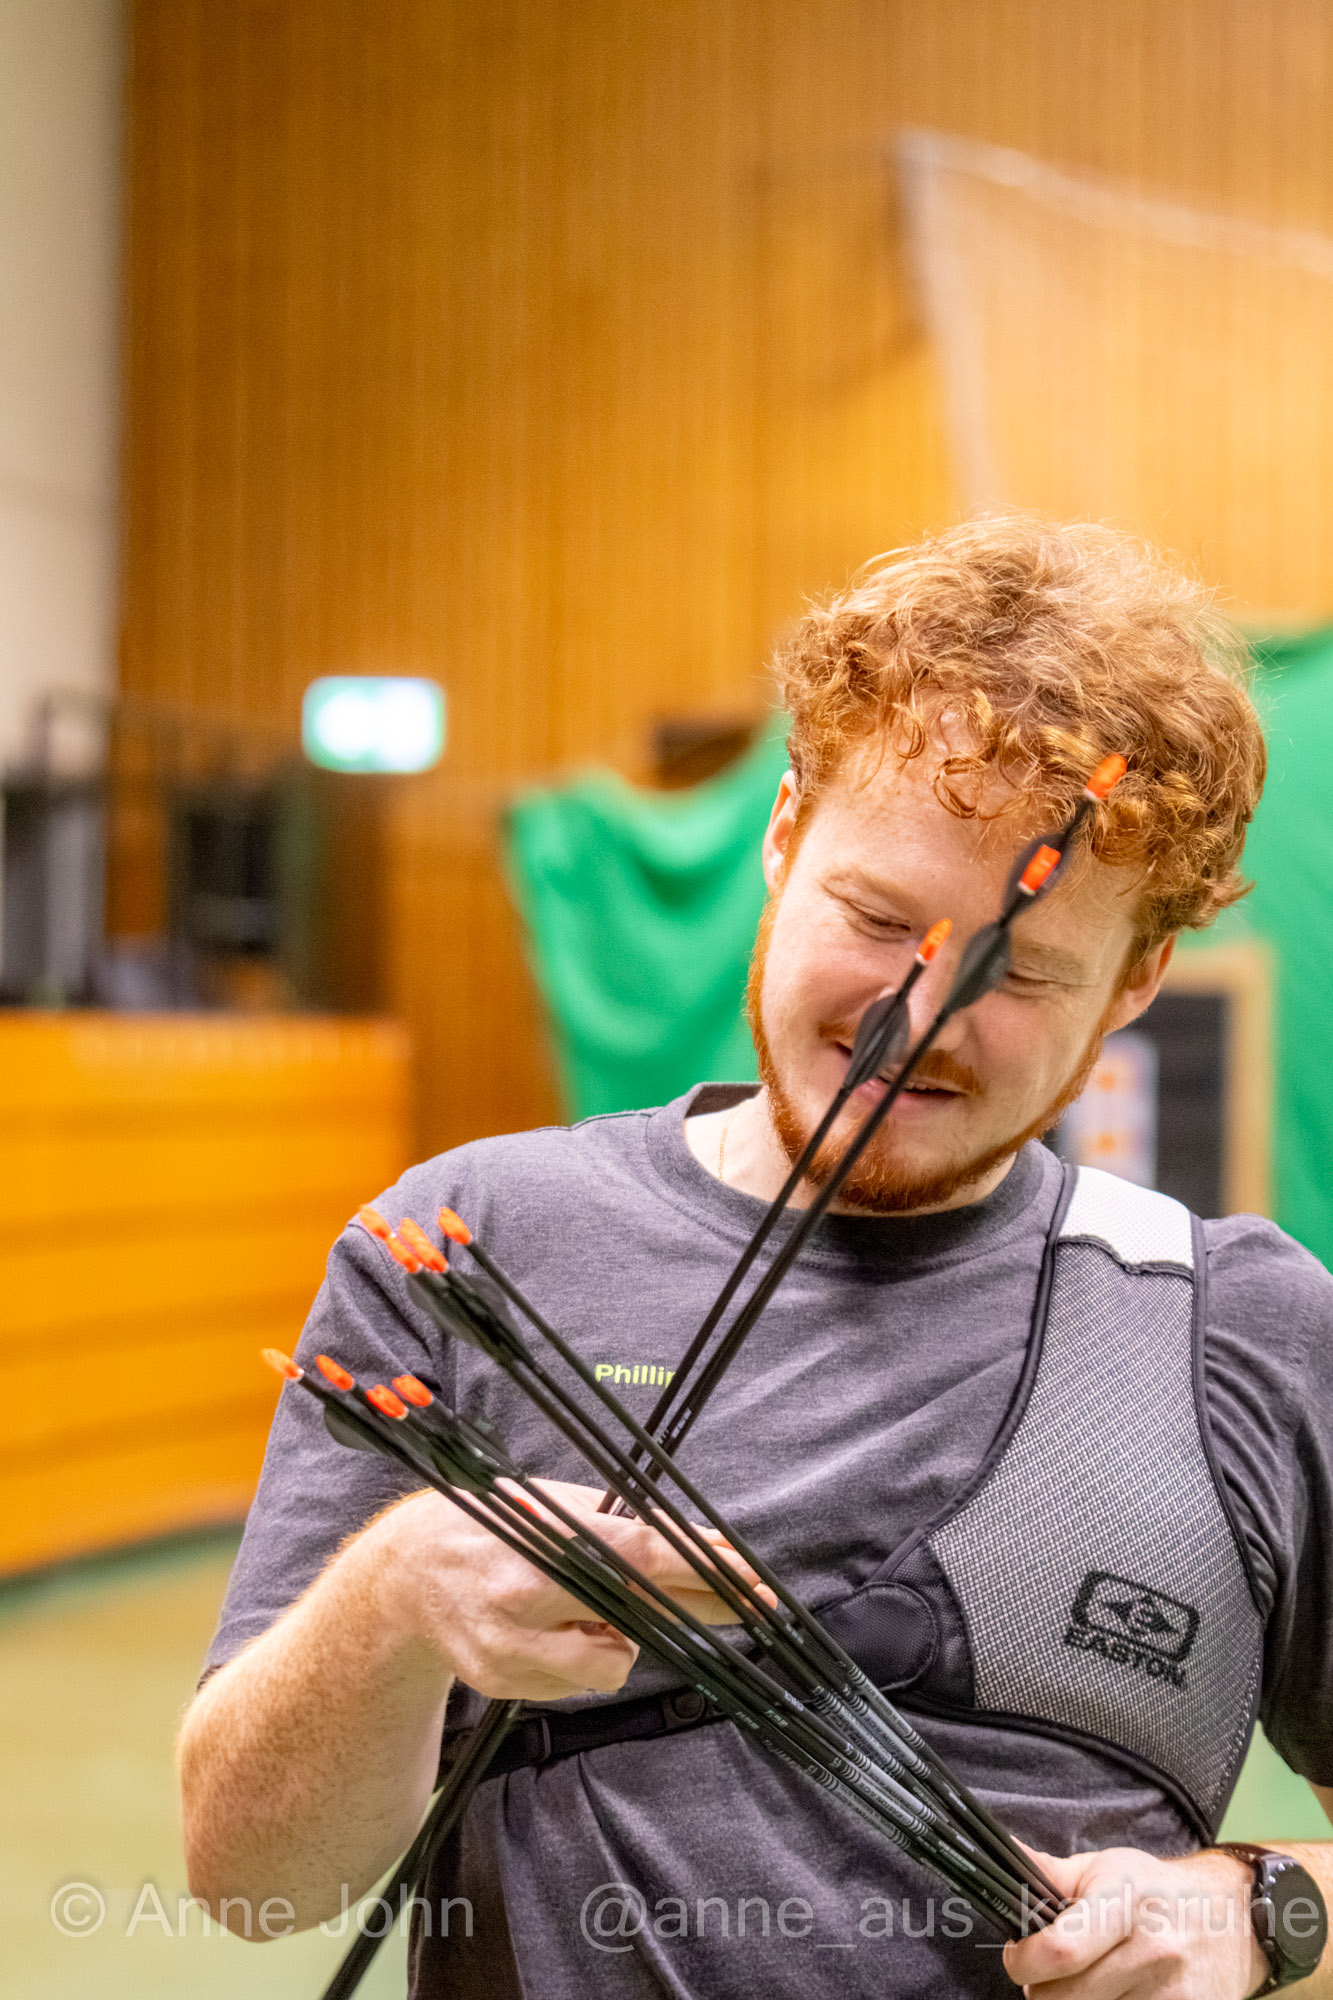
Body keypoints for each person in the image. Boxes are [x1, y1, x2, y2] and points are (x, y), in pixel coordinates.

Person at [180, 516, 1333, 1998]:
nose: (915, 1017)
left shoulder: (1239, 1331)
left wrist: (1258, 1908)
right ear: (783, 834)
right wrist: (394, 1596)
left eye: (1022, 971)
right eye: (875, 916)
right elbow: (251, 1885)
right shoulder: (470, 1245)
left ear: (1137, 981)